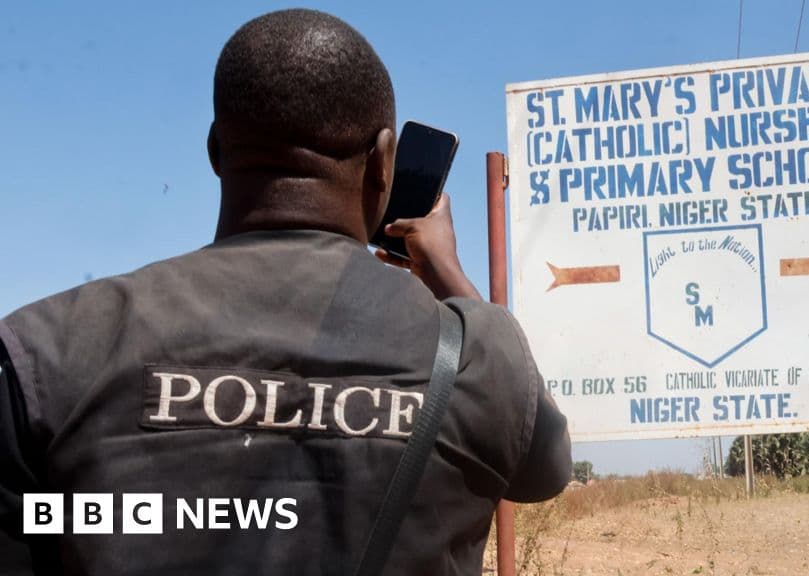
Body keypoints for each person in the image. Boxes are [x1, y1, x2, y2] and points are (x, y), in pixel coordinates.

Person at [0, 8, 571, 575]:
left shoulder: (48, 348)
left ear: (216, 152)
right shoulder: (473, 351)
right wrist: (446, 272)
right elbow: (544, 469)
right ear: (383, 162)